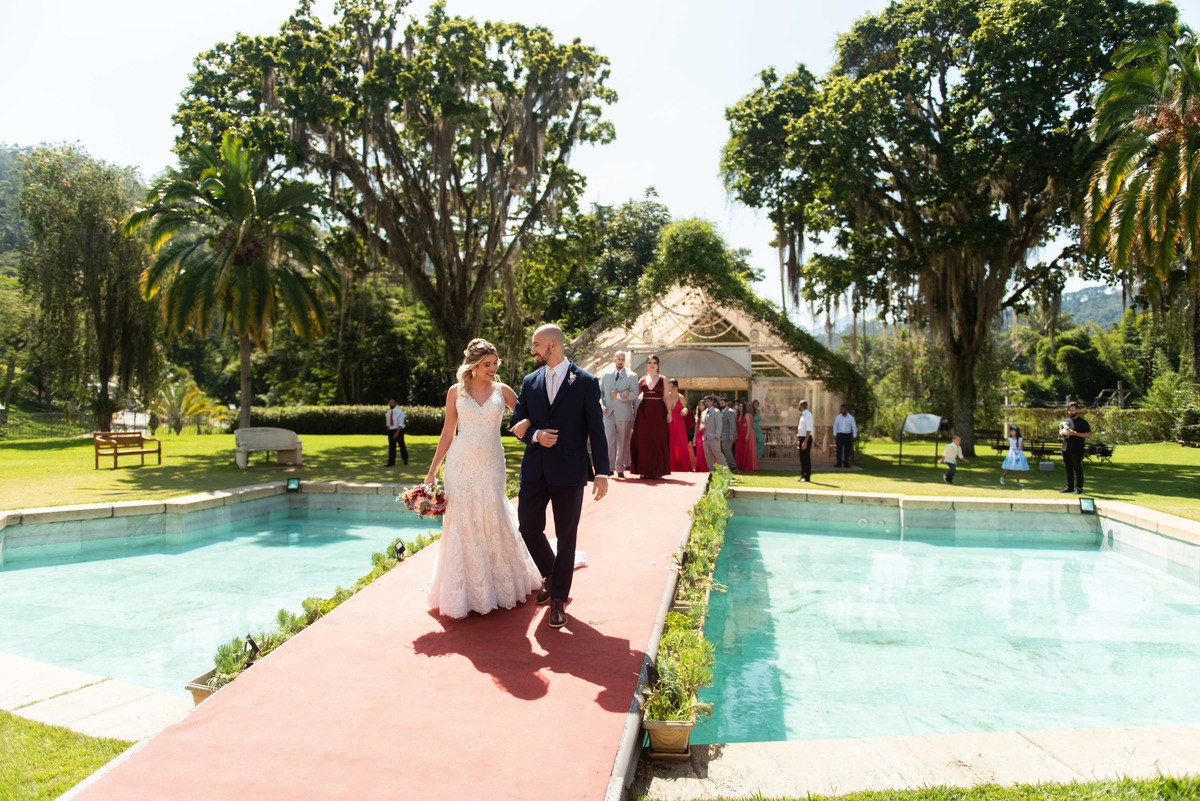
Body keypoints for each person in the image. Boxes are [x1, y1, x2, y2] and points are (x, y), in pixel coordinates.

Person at [422, 340, 542, 619]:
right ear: (473, 367)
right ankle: (466, 591)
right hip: (460, 464)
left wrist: (531, 427)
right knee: (462, 519)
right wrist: (432, 471)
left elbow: (529, 417)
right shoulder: (456, 392)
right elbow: (447, 433)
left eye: (496, 363)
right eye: (487, 365)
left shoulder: (504, 391)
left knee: (492, 513)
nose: (493, 369)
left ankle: (498, 586)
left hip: (491, 463)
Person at [511, 324, 610, 629]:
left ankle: (557, 600)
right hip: (535, 469)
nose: (532, 351)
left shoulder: (586, 382)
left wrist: (602, 472)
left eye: (536, 345)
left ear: (553, 345)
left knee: (567, 538)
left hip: (569, 471)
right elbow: (517, 423)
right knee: (527, 527)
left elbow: (596, 429)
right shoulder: (530, 381)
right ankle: (551, 571)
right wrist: (537, 435)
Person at [630, 354, 671, 479]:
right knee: (643, 440)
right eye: (649, 362)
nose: (652, 365)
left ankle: (658, 470)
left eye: (654, 362)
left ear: (657, 365)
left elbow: (666, 397)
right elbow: (635, 395)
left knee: (658, 440)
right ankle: (643, 470)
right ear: (646, 365)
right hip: (644, 413)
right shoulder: (642, 379)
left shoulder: (663, 379)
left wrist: (669, 412)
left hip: (659, 412)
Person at [599, 350, 638, 478]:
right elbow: (600, 392)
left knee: (623, 442)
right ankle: (609, 467)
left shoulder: (632, 375)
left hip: (624, 413)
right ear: (614, 359)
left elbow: (635, 394)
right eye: (618, 358)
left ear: (625, 360)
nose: (620, 361)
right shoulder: (605, 374)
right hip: (608, 413)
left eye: (622, 359)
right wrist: (601, 404)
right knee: (609, 439)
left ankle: (620, 468)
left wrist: (620, 396)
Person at [1060, 402, 1092, 494]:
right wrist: (1062, 433)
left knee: (1077, 468)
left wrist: (1075, 433)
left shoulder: (1083, 422)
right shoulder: (1066, 421)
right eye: (1069, 411)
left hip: (1076, 448)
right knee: (1068, 468)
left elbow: (1088, 435)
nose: (1070, 412)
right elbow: (1061, 431)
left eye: (1072, 410)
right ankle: (1069, 487)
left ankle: (1079, 488)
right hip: (1066, 447)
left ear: (1077, 410)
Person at [665, 378, 693, 471]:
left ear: (676, 387)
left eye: (672, 387)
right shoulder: (666, 397)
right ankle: (670, 466)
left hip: (679, 421)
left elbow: (685, 409)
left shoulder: (681, 397)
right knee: (670, 443)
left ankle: (684, 466)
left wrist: (684, 411)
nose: (670, 388)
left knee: (682, 443)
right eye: (669, 386)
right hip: (668, 421)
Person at [701, 395, 727, 468]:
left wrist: (717, 435)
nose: (706, 403)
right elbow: (702, 423)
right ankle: (711, 472)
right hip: (705, 437)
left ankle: (726, 471)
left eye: (708, 401)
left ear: (712, 402)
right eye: (705, 402)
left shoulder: (716, 411)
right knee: (708, 456)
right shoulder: (703, 412)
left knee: (718, 454)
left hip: (714, 437)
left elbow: (719, 424)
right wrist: (701, 427)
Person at [735, 400, 758, 472]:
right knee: (738, 450)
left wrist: (747, 435)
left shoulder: (747, 415)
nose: (740, 407)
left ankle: (746, 466)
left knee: (745, 451)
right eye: (739, 406)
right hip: (738, 433)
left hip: (744, 432)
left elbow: (749, 426)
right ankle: (739, 466)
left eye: (742, 406)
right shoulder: (737, 415)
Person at [833, 404, 857, 468]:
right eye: (841, 409)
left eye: (843, 409)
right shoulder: (838, 417)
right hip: (840, 434)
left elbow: (854, 427)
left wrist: (854, 435)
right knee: (839, 449)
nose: (841, 410)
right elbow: (835, 425)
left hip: (847, 434)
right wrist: (834, 434)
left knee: (847, 449)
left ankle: (846, 463)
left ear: (846, 409)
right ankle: (839, 463)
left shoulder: (851, 418)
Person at [385, 399, 408, 466]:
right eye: (390, 403)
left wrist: (396, 433)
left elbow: (401, 424)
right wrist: (389, 431)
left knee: (401, 445)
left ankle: (405, 459)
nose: (391, 404)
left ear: (395, 403)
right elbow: (387, 424)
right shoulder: (388, 413)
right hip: (391, 430)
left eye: (392, 403)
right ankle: (391, 462)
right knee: (391, 447)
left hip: (399, 430)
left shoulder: (399, 412)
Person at [796, 400, 814, 482]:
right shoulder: (802, 415)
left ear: (802, 406)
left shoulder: (808, 415)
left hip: (806, 438)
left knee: (806, 457)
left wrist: (805, 441)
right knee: (802, 458)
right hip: (801, 438)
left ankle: (807, 476)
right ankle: (803, 474)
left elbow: (809, 429)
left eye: (799, 406)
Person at [720, 396, 737, 470]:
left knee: (726, 449)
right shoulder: (722, 412)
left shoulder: (730, 412)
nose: (721, 404)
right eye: (720, 403)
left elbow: (732, 424)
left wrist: (731, 435)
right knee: (725, 450)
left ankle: (733, 465)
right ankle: (729, 465)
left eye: (723, 403)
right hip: (723, 435)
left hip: (728, 435)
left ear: (726, 403)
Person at [694, 397, 710, 471]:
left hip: (705, 433)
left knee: (704, 451)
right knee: (699, 451)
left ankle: (705, 467)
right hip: (698, 434)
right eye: (699, 405)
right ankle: (699, 467)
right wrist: (694, 437)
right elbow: (696, 426)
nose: (700, 406)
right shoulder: (698, 415)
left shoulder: (707, 414)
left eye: (702, 405)